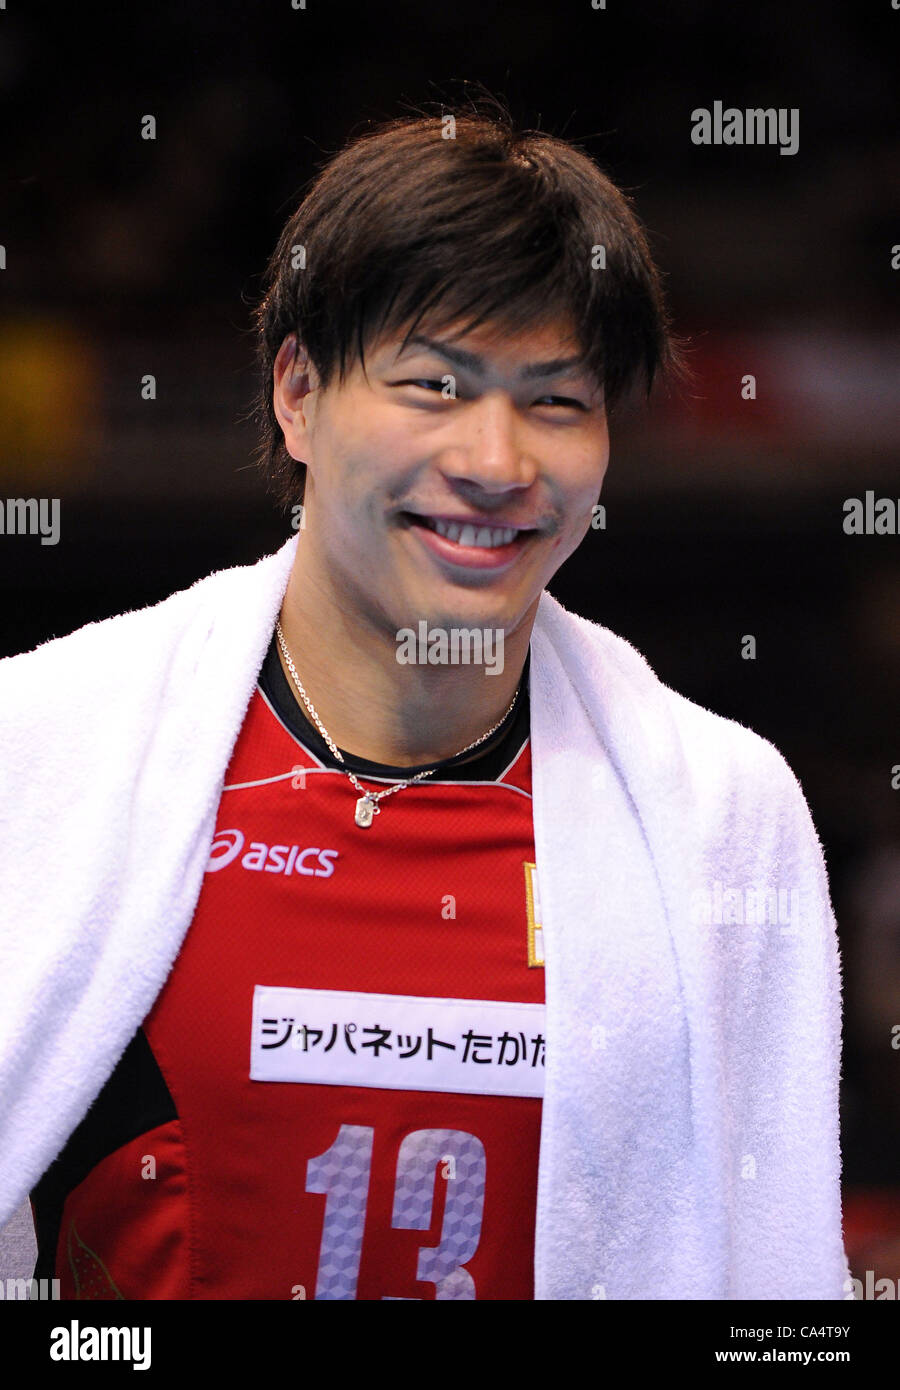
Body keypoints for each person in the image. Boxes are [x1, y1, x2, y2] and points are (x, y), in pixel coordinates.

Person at [0, 99, 849, 1300]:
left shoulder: (722, 813)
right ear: (297, 393)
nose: (497, 465)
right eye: (435, 386)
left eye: (557, 400)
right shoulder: (40, 758)